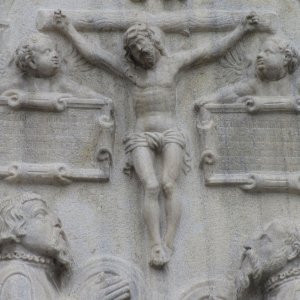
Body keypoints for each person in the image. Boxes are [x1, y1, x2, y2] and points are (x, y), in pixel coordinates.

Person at [53, 10, 262, 267]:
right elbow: (95, 56)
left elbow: (211, 52)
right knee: (150, 186)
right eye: (137, 52)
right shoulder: (131, 72)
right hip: (141, 134)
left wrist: (242, 29)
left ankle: (170, 241)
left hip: (171, 131)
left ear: (155, 42)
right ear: (131, 55)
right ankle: (155, 244)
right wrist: (67, 29)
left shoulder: (172, 64)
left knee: (168, 184)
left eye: (145, 47)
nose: (144, 54)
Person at [0, 192, 130, 300]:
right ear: (15, 227)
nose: (56, 220)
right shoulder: (17, 277)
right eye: (41, 214)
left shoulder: (38, 273)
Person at [194, 36, 300, 108]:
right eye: (260, 51)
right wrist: (211, 98)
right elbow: (233, 91)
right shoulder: (255, 85)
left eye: (267, 52)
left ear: (286, 57)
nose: (259, 55)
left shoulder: (297, 85)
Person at [235, 219, 300, 300]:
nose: (247, 245)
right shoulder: (276, 290)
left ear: (293, 252)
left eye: (265, 240)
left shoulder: (295, 293)